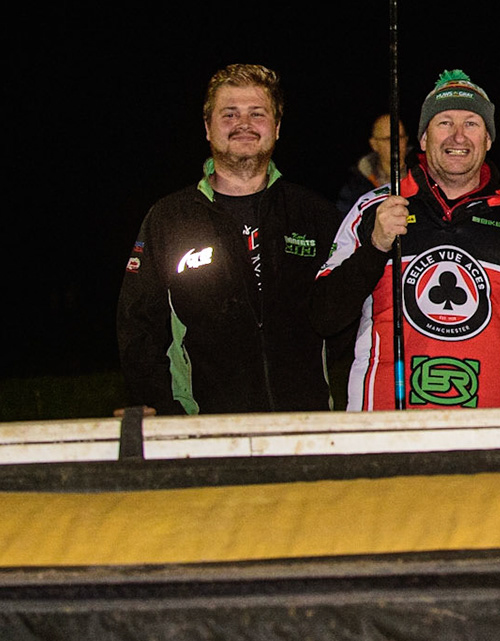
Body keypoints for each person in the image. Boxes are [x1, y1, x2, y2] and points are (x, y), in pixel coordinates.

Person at [311, 69, 500, 409]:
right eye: (444, 123)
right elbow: (325, 317)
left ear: (488, 140)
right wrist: (375, 247)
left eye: (471, 124)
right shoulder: (375, 208)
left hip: (486, 431)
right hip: (388, 430)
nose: (458, 136)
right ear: (423, 139)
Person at [118, 64, 344, 414]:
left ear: (277, 127)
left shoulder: (315, 214)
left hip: (306, 426)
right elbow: (138, 326)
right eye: (230, 114)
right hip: (204, 428)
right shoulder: (169, 218)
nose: (244, 123)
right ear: (208, 128)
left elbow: (350, 319)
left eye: (257, 113)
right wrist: (163, 412)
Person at [336, 114, 407, 216]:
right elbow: (344, 219)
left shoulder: (420, 176)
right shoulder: (355, 187)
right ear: (374, 144)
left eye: (400, 137)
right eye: (388, 139)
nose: (396, 143)